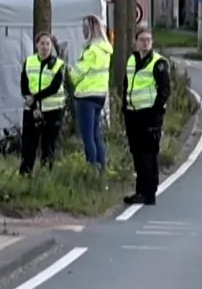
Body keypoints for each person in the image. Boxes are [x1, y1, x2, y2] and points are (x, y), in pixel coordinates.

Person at [120, 27, 173, 205]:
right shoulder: (131, 60)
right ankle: (140, 191)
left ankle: (149, 192)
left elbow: (165, 90)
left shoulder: (158, 63)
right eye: (142, 40)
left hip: (149, 115)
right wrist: (124, 108)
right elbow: (126, 85)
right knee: (137, 153)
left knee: (148, 154)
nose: (145, 43)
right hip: (133, 114)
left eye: (148, 40)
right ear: (135, 42)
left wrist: (155, 111)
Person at [70, 14, 114, 172]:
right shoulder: (105, 49)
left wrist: (69, 73)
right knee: (96, 135)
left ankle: (92, 170)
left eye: (85, 28)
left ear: (90, 29)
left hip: (86, 95)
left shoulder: (91, 50)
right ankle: (102, 169)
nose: (83, 31)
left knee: (88, 137)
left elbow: (77, 73)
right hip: (100, 94)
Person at [19, 33, 67, 174]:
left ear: (51, 46)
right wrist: (34, 107)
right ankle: (25, 175)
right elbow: (24, 86)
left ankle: (46, 176)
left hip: (52, 110)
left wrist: (35, 98)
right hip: (31, 111)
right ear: (36, 45)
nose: (45, 47)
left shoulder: (57, 64)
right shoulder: (29, 62)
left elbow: (54, 87)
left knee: (48, 146)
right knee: (28, 146)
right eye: (42, 43)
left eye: (48, 44)